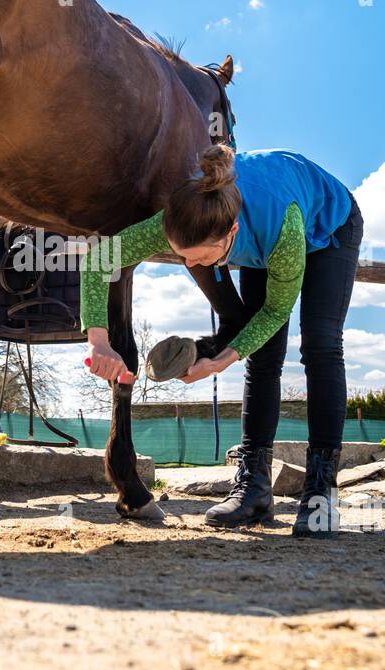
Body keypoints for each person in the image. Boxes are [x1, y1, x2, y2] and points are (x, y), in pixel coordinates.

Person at [81, 144, 363, 538]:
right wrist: (98, 339)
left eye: (200, 258)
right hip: (261, 232)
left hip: (329, 225)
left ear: (230, 233)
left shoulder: (281, 227)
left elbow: (274, 312)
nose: (191, 266)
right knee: (263, 357)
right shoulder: (183, 215)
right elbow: (99, 258)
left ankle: (320, 492)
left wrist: (218, 361)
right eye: (183, 258)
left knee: (320, 345)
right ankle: (254, 487)